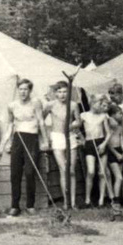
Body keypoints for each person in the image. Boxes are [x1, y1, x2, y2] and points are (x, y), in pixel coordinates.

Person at [6, 78, 47, 217]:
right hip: (17, 138)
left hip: (32, 138)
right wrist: (8, 142)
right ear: (18, 90)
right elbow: (10, 124)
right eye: (21, 89)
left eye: (26, 89)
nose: (23, 92)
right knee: (15, 173)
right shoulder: (12, 105)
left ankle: (30, 205)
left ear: (30, 90)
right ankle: (14, 206)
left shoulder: (36, 102)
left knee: (30, 172)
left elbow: (41, 121)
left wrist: (44, 140)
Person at [45, 81, 83, 209]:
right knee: (64, 169)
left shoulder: (73, 105)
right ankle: (66, 202)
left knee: (71, 170)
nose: (62, 94)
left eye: (65, 92)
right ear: (55, 93)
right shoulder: (50, 105)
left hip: (70, 137)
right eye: (59, 92)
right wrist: (47, 136)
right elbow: (41, 120)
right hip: (57, 137)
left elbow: (79, 121)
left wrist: (72, 125)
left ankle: (73, 202)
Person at [79, 98, 109, 208]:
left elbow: (108, 133)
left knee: (102, 173)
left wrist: (104, 144)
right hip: (89, 143)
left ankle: (101, 200)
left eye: (101, 104)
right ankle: (87, 200)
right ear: (92, 103)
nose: (100, 106)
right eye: (98, 103)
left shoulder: (103, 116)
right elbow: (74, 127)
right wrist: (82, 138)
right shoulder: (83, 115)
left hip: (101, 143)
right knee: (91, 171)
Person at [103, 103, 123, 208]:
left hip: (119, 151)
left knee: (118, 177)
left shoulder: (120, 126)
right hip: (112, 152)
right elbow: (108, 143)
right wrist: (116, 154)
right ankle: (115, 200)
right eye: (119, 113)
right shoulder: (109, 126)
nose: (122, 115)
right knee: (119, 177)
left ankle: (115, 198)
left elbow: (121, 139)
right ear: (112, 115)